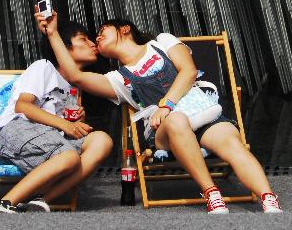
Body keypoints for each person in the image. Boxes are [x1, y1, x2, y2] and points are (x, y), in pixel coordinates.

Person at [35, 11, 283, 215]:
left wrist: (166, 104)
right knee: (175, 121)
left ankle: (268, 198)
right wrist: (53, 33)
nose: (96, 39)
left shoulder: (162, 42)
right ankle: (212, 193)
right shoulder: (118, 80)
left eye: (102, 31)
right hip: (165, 131)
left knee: (230, 140)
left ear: (124, 30)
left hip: (202, 114)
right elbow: (76, 76)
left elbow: (188, 71)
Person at [0, 20, 113, 213]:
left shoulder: (75, 87)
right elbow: (23, 106)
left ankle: (39, 200)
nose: (92, 43)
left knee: (102, 141)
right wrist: (65, 125)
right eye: (83, 39)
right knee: (68, 156)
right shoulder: (44, 67)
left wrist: (76, 122)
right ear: (63, 46)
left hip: (51, 141)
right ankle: (4, 203)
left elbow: (64, 129)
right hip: (15, 131)